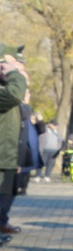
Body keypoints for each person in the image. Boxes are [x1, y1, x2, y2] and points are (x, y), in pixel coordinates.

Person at [0, 45, 30, 240]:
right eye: (7, 64)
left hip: (7, 155)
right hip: (2, 156)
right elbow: (14, 95)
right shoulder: (8, 90)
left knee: (5, 196)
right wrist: (14, 74)